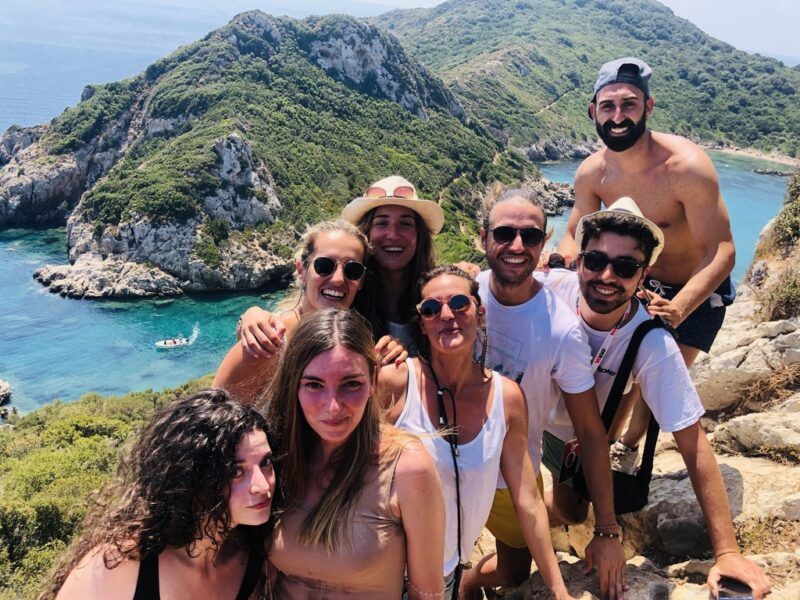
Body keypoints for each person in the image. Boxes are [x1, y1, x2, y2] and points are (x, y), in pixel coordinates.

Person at [539, 198, 771, 599]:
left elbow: (692, 441)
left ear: (644, 274)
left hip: (579, 439)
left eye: (625, 267)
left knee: (572, 511)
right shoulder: (550, 289)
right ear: (580, 262)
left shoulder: (651, 342)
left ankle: (531, 518)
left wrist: (727, 551)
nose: (607, 276)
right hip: (530, 420)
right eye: (595, 260)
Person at [555, 57, 736, 470]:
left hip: (695, 286)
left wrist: (681, 305)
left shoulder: (685, 167)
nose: (618, 116)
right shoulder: (592, 173)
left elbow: (722, 250)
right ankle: (597, 446)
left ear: (648, 108)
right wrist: (559, 265)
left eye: (629, 105)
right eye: (608, 107)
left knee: (658, 378)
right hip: (632, 279)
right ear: (593, 112)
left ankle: (628, 448)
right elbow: (572, 233)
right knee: (620, 376)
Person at [380, 266, 577, 600]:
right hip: (383, 570)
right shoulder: (395, 384)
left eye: (459, 304)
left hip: (447, 570)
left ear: (480, 314)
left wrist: (559, 590)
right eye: (431, 309)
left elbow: (528, 500)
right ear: (422, 324)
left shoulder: (508, 398)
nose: (446, 315)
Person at [466, 188, 626, 599]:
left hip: (510, 480)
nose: (517, 246)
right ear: (483, 237)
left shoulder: (561, 330)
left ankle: (467, 584)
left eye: (531, 236)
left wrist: (607, 528)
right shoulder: (462, 296)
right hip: (447, 465)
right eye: (504, 233)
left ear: (544, 243)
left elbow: (591, 431)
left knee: (516, 572)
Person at [265, 308, 445, 598]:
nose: (333, 406)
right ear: (293, 384)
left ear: (373, 379)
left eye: (351, 384)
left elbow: (428, 593)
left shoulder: (406, 467)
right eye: (314, 385)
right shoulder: (273, 460)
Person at [47, 390, 276, 600]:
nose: (262, 485)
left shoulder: (253, 553)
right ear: (190, 478)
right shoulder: (123, 563)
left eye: (265, 462)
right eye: (235, 471)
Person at [235, 175, 442, 358]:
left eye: (405, 224)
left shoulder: (436, 298)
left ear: (419, 236)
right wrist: (252, 315)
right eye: (381, 223)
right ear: (367, 233)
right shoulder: (345, 292)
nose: (393, 235)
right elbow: (300, 317)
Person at [213, 219, 404, 404]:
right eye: (324, 266)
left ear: (360, 282)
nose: (338, 279)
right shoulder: (267, 343)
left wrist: (390, 354)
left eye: (352, 270)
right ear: (301, 270)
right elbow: (211, 423)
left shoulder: (358, 344)